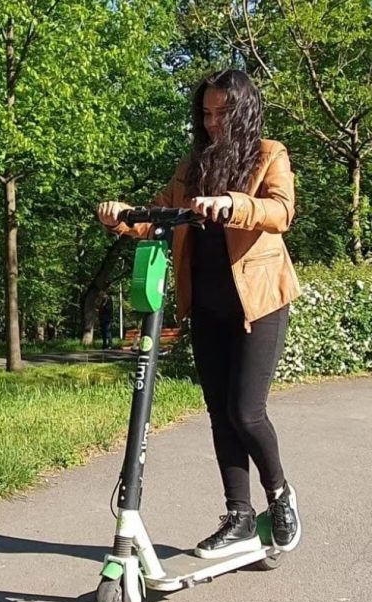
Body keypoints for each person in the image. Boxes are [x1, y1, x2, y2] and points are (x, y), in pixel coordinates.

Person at [96, 69, 302, 559]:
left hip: (259, 303)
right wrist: (124, 216)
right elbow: (161, 215)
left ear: (244, 111)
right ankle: (240, 516)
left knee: (245, 412)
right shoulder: (192, 166)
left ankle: (280, 496)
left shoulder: (270, 154)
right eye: (206, 114)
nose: (212, 123)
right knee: (219, 415)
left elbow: (280, 211)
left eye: (222, 113)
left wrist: (232, 204)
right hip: (207, 307)